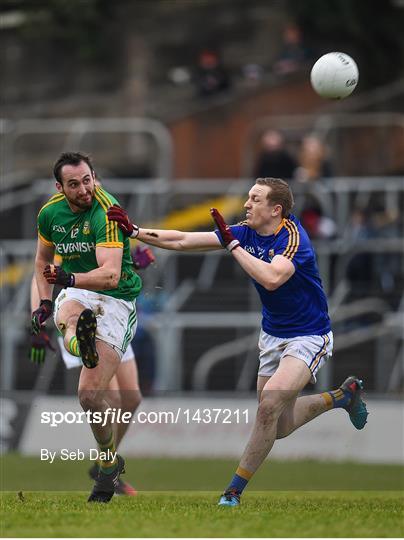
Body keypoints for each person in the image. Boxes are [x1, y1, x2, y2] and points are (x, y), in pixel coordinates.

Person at [107, 177, 369, 507]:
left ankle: (232, 492)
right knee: (280, 425)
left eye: (255, 199)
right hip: (273, 335)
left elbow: (272, 279)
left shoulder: (292, 238)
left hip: (308, 336)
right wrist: (135, 231)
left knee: (269, 407)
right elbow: (184, 240)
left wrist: (233, 246)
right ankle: (343, 396)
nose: (246, 204)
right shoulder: (245, 232)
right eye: (248, 198)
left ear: (275, 210)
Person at [31, 151, 142, 503]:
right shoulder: (50, 213)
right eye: (74, 184)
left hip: (115, 301)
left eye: (87, 180)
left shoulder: (106, 211)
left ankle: (105, 465)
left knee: (106, 397)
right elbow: (41, 262)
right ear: (59, 187)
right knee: (73, 325)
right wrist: (43, 305)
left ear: (95, 176)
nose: (84, 190)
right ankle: (82, 342)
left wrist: (67, 276)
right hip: (77, 291)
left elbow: (110, 275)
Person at [30, 243, 155, 496]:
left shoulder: (108, 223)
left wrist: (132, 264)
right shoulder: (66, 227)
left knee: (131, 399)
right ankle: (108, 469)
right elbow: (42, 271)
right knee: (112, 399)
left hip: (112, 313)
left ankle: (104, 464)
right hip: (79, 313)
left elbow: (119, 267)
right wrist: (37, 320)